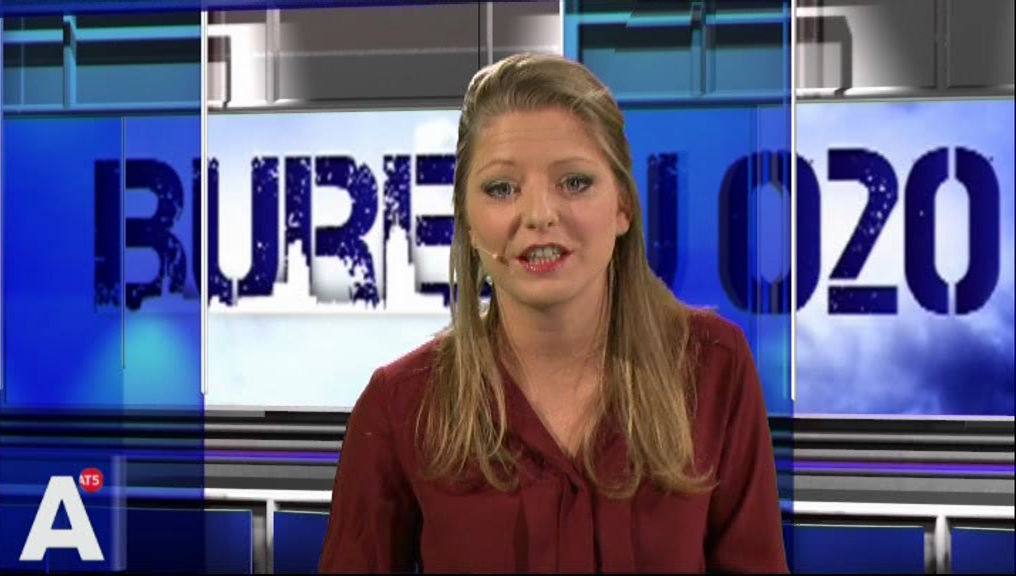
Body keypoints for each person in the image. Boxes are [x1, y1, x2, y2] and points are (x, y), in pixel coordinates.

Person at [318, 53, 787, 573]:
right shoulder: (399, 406)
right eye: (502, 189)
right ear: (468, 223)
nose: (539, 215)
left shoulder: (714, 366)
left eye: (575, 182)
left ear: (623, 207)